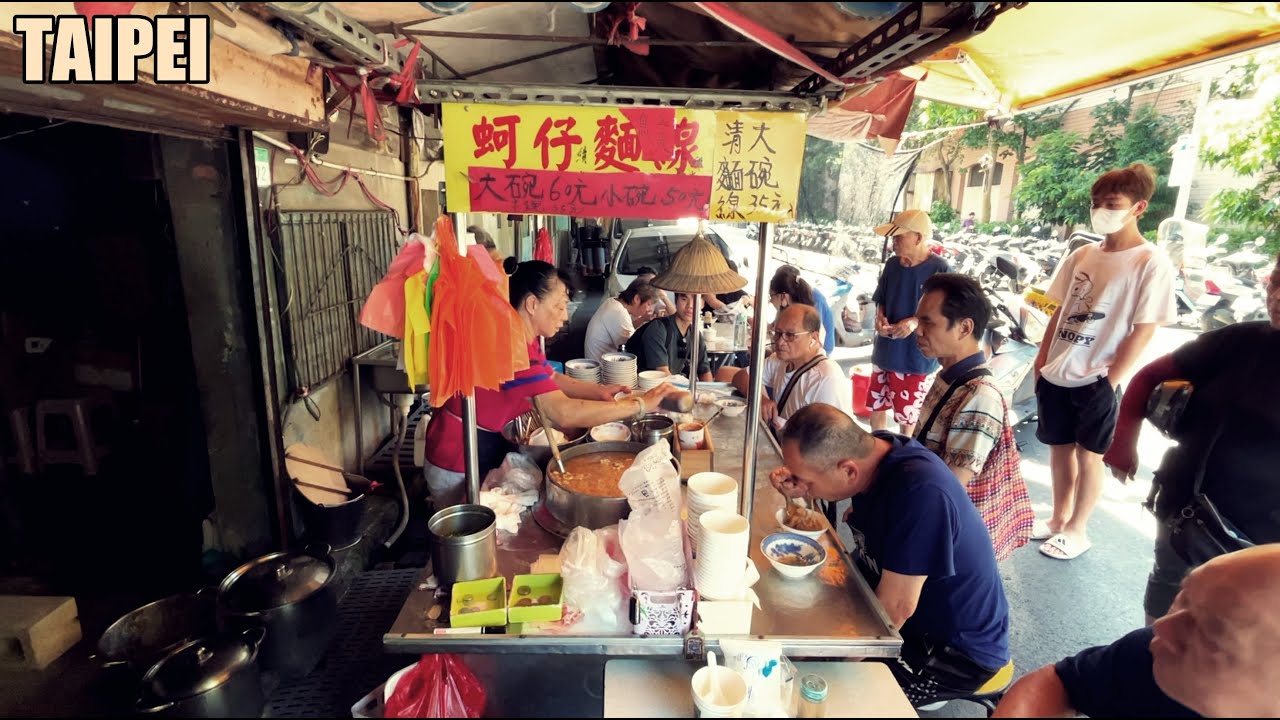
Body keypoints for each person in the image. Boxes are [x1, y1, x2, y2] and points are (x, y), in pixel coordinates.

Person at [773, 404, 1010, 709]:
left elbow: (896, 609)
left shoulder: (921, 494)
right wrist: (804, 486)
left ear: (847, 470)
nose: (801, 485)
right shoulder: (877, 450)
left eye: (805, 478)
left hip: (951, 650)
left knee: (824, 694)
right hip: (888, 601)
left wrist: (831, 662)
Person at [1103, 251, 1280, 622]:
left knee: (1239, 633)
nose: (1276, 296)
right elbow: (1147, 377)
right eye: (1277, 281)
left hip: (1263, 541)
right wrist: (1122, 445)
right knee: (1167, 602)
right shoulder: (1237, 341)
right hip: (1188, 511)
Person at [421, 261, 680, 508]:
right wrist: (639, 404)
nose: (565, 316)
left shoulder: (521, 335)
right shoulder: (508, 346)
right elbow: (562, 412)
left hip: (483, 445)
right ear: (532, 304)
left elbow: (551, 377)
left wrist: (598, 390)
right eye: (558, 306)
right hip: (458, 457)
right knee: (470, 534)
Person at [1031, 163, 1177, 561]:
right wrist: (1043, 360)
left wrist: (1110, 380)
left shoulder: (1150, 261)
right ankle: (1058, 519)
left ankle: (1078, 529)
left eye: (1112, 203)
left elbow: (1143, 329)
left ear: (1139, 207)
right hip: (1057, 369)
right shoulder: (1082, 253)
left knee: (1088, 454)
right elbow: (1056, 311)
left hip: (1097, 376)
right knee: (1058, 448)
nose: (1102, 210)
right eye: (1097, 203)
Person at [992, 544, 1280, 718]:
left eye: (1214, 634)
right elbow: (1064, 682)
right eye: (1183, 597)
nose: (1163, 627)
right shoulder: (1154, 654)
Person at [913, 273, 1034, 561]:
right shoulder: (949, 376)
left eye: (927, 322)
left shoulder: (980, 395)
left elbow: (950, 489)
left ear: (964, 327)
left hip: (953, 542)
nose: (918, 331)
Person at [869, 209, 950, 436]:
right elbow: (881, 298)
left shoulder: (939, 268)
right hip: (886, 348)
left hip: (916, 355)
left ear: (918, 237)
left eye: (899, 236)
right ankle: (878, 446)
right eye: (893, 237)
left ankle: (905, 453)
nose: (894, 242)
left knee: (908, 414)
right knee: (877, 405)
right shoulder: (892, 265)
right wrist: (880, 318)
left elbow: (944, 311)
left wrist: (914, 322)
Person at [728, 304, 852, 432]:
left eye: (790, 335)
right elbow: (741, 377)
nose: (780, 342)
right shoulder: (779, 360)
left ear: (813, 338)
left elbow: (834, 437)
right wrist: (761, 399)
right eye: (778, 333)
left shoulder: (826, 379)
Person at [627, 293, 713, 381]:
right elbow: (663, 374)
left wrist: (710, 393)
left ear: (702, 304)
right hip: (646, 388)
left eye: (695, 300)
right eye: (684, 299)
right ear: (676, 301)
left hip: (673, 386)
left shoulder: (695, 335)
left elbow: (705, 372)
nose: (690, 305)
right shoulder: (658, 328)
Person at [583, 278, 662, 362]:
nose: (649, 309)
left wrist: (643, 319)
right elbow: (632, 346)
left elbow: (626, 327)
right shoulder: (618, 312)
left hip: (602, 362)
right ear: (637, 299)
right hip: (602, 369)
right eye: (649, 304)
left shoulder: (613, 301)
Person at [770, 266, 836, 355]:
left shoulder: (813, 303)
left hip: (820, 351)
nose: (771, 300)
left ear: (783, 296)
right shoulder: (790, 306)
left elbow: (812, 341)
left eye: (771, 296)